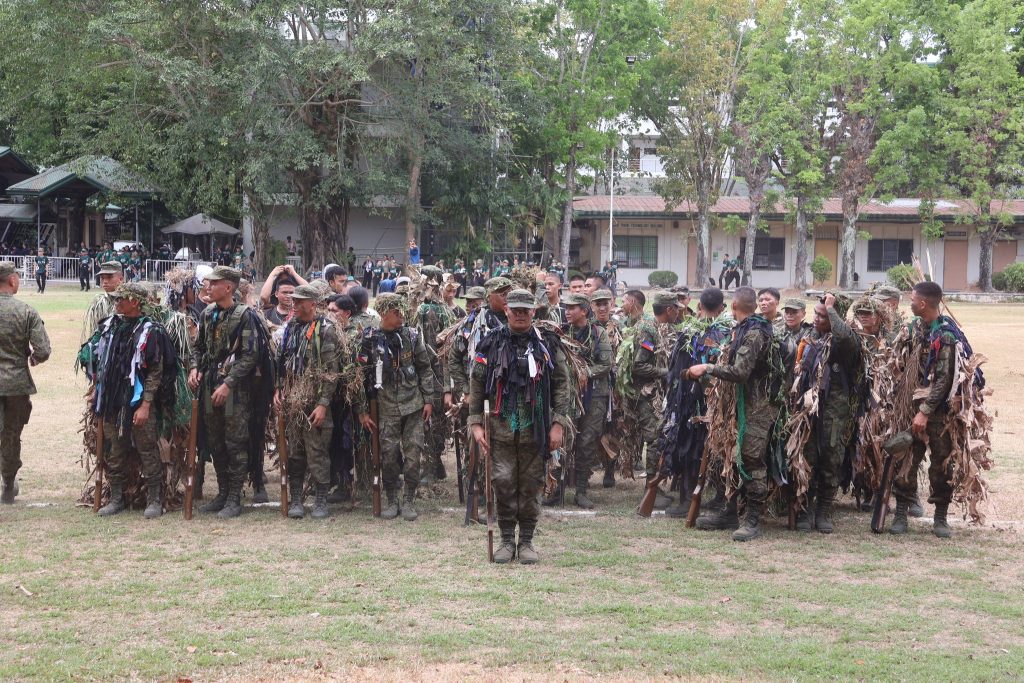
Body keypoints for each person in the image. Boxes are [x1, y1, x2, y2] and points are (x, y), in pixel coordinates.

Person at [468, 289, 571, 564]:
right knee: (502, 482)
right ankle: (505, 540)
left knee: (531, 485)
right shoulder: (490, 343)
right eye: (516, 310)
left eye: (526, 310)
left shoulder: (547, 344)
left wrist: (558, 423)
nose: (521, 315)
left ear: (534, 312)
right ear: (507, 311)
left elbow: (562, 385)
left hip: (535, 430)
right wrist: (476, 424)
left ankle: (526, 541)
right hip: (499, 430)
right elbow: (476, 385)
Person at [686, 286, 783, 541]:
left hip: (758, 407)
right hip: (738, 406)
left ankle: (752, 520)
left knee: (752, 460)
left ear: (733, 306)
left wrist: (706, 368)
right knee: (728, 456)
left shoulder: (755, 332)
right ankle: (729, 511)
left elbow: (740, 372)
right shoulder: (741, 329)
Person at [79, 283, 180, 518]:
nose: (116, 302)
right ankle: (116, 498)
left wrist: (145, 405)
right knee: (115, 450)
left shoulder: (151, 331)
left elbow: (155, 372)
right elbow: (98, 360)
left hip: (139, 402)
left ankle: (154, 500)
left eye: (120, 299)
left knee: (148, 450)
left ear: (134, 302)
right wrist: (97, 387)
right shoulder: (109, 327)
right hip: (113, 402)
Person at [188, 266, 274, 518]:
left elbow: (250, 355)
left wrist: (228, 384)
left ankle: (235, 497)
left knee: (235, 443)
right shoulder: (207, 314)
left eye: (214, 283)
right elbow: (198, 347)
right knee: (215, 443)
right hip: (209, 387)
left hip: (235, 392)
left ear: (228, 287)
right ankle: (223, 493)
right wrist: (194, 368)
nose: (208, 287)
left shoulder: (245, 316)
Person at [890, 282, 969, 538]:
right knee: (906, 459)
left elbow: (945, 380)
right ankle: (901, 513)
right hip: (909, 407)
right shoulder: (913, 329)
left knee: (941, 465)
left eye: (913, 299)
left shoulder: (945, 336)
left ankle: (940, 517)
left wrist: (924, 412)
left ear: (923, 304)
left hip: (938, 413)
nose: (910, 301)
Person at [356, 293, 434, 520]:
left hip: (413, 406)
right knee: (388, 457)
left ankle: (409, 499)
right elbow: (359, 378)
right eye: (396, 313)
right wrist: (362, 411)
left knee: (413, 455)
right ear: (383, 313)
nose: (401, 317)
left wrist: (429, 400)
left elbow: (425, 368)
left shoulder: (411, 335)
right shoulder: (369, 339)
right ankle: (392, 498)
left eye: (402, 312)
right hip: (385, 407)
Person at [657, 287, 731, 518]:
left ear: (699, 306)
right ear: (722, 308)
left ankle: (688, 499)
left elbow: (675, 373)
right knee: (718, 447)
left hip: (690, 402)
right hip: (718, 403)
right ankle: (720, 497)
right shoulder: (728, 334)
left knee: (689, 448)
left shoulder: (688, 333)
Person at [790, 292, 860, 533]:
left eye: (823, 316)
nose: (817, 319)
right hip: (808, 410)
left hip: (834, 412)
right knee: (807, 457)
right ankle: (805, 508)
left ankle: (824, 510)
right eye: (816, 314)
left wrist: (831, 309)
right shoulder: (810, 337)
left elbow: (845, 337)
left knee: (831, 459)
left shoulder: (846, 340)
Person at [275, 285, 344, 520]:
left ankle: (321, 500)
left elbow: (331, 371)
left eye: (299, 301)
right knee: (295, 453)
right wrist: (278, 389)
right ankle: (296, 499)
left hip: (316, 402)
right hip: (293, 401)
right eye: (293, 300)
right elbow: (282, 361)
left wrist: (323, 404)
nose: (293, 304)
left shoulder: (325, 330)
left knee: (317, 453)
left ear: (312, 304)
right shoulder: (291, 328)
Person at [0, 262, 51, 504]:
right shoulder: (26, 311)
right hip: (16, 384)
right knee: (11, 435)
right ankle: (8, 484)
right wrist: (34, 358)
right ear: (12, 280)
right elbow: (43, 350)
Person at [625, 290, 680, 509]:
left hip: (651, 392)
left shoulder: (653, 326)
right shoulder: (648, 330)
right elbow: (638, 366)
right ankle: (651, 489)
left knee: (657, 437)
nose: (678, 313)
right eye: (676, 308)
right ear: (669, 309)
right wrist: (667, 373)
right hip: (644, 394)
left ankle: (654, 487)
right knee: (655, 438)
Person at [561, 293, 611, 509]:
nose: (567, 311)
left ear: (584, 311)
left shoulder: (598, 333)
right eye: (566, 308)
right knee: (564, 440)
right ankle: (556, 489)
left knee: (586, 442)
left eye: (572, 308)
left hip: (595, 396)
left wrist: (585, 372)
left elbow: (606, 364)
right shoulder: (561, 333)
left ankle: (581, 490)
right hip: (568, 395)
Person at [416, 266, 456, 484]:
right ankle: (435, 464)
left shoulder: (428, 310)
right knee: (435, 420)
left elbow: (429, 345)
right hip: (435, 373)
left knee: (432, 421)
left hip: (433, 373)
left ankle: (431, 466)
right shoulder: (442, 310)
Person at [82, 262, 125, 343]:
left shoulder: (130, 302)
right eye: (102, 278)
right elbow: (95, 334)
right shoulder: (99, 303)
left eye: (109, 277)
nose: (105, 281)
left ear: (121, 279)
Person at [778, 298, 813, 377]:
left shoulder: (809, 333)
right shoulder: (777, 331)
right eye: (787, 312)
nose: (789, 315)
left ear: (803, 314)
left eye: (794, 312)